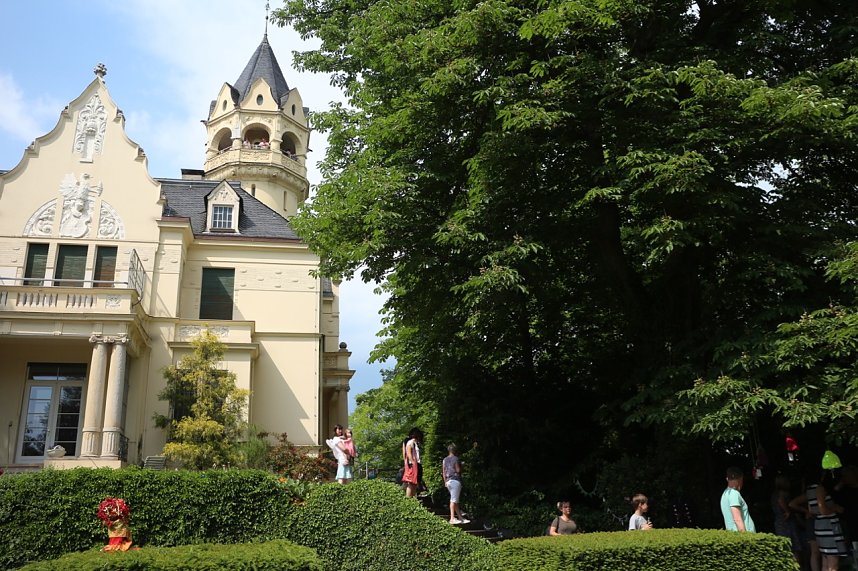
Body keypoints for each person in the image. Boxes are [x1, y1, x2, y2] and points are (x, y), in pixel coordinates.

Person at [771, 474, 802, 565]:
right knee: (794, 547)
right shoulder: (783, 493)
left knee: (785, 547)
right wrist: (787, 511)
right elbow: (781, 501)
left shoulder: (774, 494)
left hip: (779, 522)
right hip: (786, 521)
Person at [720, 466, 756, 532]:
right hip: (744, 538)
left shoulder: (725, 493)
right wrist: (746, 539)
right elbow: (737, 519)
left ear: (727, 479)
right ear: (740, 479)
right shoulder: (734, 494)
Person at [443, 444, 469, 524]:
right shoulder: (456, 459)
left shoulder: (444, 459)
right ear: (455, 450)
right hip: (455, 480)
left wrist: (445, 482)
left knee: (455, 500)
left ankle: (461, 518)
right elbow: (458, 470)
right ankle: (452, 518)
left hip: (448, 481)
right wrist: (462, 466)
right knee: (453, 500)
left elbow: (443, 472)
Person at [402, 428, 423, 497]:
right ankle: (408, 500)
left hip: (417, 464)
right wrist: (413, 463)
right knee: (411, 483)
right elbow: (408, 453)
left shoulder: (416, 443)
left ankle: (413, 499)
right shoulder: (410, 442)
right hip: (412, 464)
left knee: (414, 483)